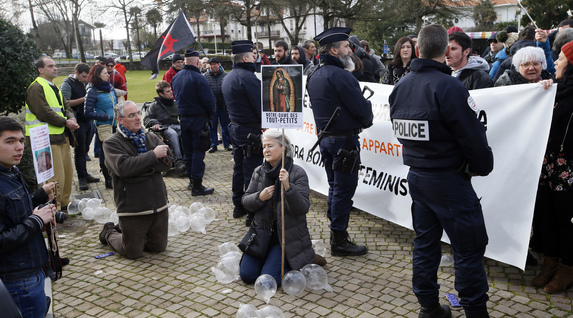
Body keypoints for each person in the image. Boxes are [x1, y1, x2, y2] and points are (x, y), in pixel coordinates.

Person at [389, 24, 493, 318]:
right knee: (468, 248)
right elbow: (473, 137)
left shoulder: (401, 87)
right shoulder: (449, 87)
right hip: (448, 180)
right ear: (447, 50)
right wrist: (482, 167)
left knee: (425, 243)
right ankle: (474, 311)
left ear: (419, 49)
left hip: (419, 178)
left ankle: (429, 307)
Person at [307, 27, 373, 257]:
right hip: (343, 143)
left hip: (326, 140)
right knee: (344, 189)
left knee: (335, 187)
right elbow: (362, 111)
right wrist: (367, 114)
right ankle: (339, 239)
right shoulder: (341, 75)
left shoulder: (315, 74)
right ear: (334, 50)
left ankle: (336, 228)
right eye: (346, 46)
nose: (350, 50)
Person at [239, 130, 325, 286]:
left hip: (286, 238)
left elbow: (302, 208)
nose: (266, 150)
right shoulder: (259, 172)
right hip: (261, 235)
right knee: (247, 275)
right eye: (264, 146)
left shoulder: (297, 173)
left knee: (269, 280)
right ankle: (270, 259)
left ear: (283, 147)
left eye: (270, 146)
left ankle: (303, 259)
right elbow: (245, 201)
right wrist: (259, 197)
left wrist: (288, 187)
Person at [99, 101, 172, 260]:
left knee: (158, 248)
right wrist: (152, 156)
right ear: (120, 120)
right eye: (131, 115)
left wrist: (142, 165)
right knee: (133, 253)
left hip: (158, 205)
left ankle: (132, 234)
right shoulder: (112, 143)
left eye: (138, 113)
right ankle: (110, 232)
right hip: (133, 208)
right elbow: (124, 168)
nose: (138, 118)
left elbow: (168, 162)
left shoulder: (150, 136)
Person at [0, 116, 56, 318]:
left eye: (21, 141)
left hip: (33, 268)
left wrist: (39, 197)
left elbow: (13, 211)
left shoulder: (10, 171)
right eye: (10, 141)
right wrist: (37, 220)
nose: (19, 147)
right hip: (18, 279)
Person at [530, 40, 573, 294]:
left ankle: (567, 269)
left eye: (561, 59)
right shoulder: (557, 88)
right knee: (546, 215)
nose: (555, 62)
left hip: (568, 167)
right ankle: (551, 262)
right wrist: (542, 91)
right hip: (547, 165)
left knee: (566, 220)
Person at [25, 56, 78, 209]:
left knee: (67, 174)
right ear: (40, 70)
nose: (55, 68)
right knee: (54, 177)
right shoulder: (36, 87)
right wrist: (65, 122)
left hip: (61, 136)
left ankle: (65, 203)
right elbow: (43, 112)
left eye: (55, 65)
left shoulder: (54, 86)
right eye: (50, 66)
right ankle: (55, 207)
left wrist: (71, 118)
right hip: (46, 139)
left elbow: (66, 106)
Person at [221, 40, 264, 225]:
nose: (255, 57)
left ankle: (238, 205)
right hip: (249, 130)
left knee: (239, 168)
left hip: (236, 128)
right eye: (253, 54)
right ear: (245, 57)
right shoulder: (248, 77)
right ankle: (251, 212)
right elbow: (259, 105)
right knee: (252, 171)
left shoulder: (229, 76)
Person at [171, 48, 216, 196]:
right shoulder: (199, 78)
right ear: (197, 62)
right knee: (198, 151)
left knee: (188, 152)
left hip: (183, 119)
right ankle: (197, 185)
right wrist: (210, 115)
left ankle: (191, 181)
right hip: (198, 119)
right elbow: (209, 101)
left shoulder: (176, 77)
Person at [60, 62, 100, 190]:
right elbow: (66, 103)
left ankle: (85, 174)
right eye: (83, 76)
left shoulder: (87, 83)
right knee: (80, 150)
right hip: (78, 121)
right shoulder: (67, 84)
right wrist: (85, 98)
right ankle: (82, 177)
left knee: (85, 149)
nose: (85, 79)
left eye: (87, 77)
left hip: (88, 120)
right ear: (76, 73)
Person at [84, 64, 118, 189]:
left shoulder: (110, 87)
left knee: (116, 151)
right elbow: (88, 112)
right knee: (105, 153)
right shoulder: (92, 91)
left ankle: (116, 175)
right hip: (103, 128)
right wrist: (106, 116)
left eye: (107, 73)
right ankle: (108, 178)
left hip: (115, 125)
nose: (108, 75)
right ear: (97, 75)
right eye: (104, 73)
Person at [143, 80, 185, 173]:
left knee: (185, 131)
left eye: (170, 90)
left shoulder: (175, 103)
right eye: (168, 91)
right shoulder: (154, 105)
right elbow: (146, 119)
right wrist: (154, 123)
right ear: (161, 94)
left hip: (176, 125)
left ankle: (188, 158)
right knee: (173, 134)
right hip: (164, 128)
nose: (171, 92)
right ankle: (179, 161)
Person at [203, 57, 232, 153]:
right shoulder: (205, 76)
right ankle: (213, 144)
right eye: (211, 64)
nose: (213, 66)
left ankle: (226, 144)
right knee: (213, 126)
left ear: (219, 65)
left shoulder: (225, 75)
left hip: (223, 105)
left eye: (215, 64)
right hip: (212, 106)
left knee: (225, 126)